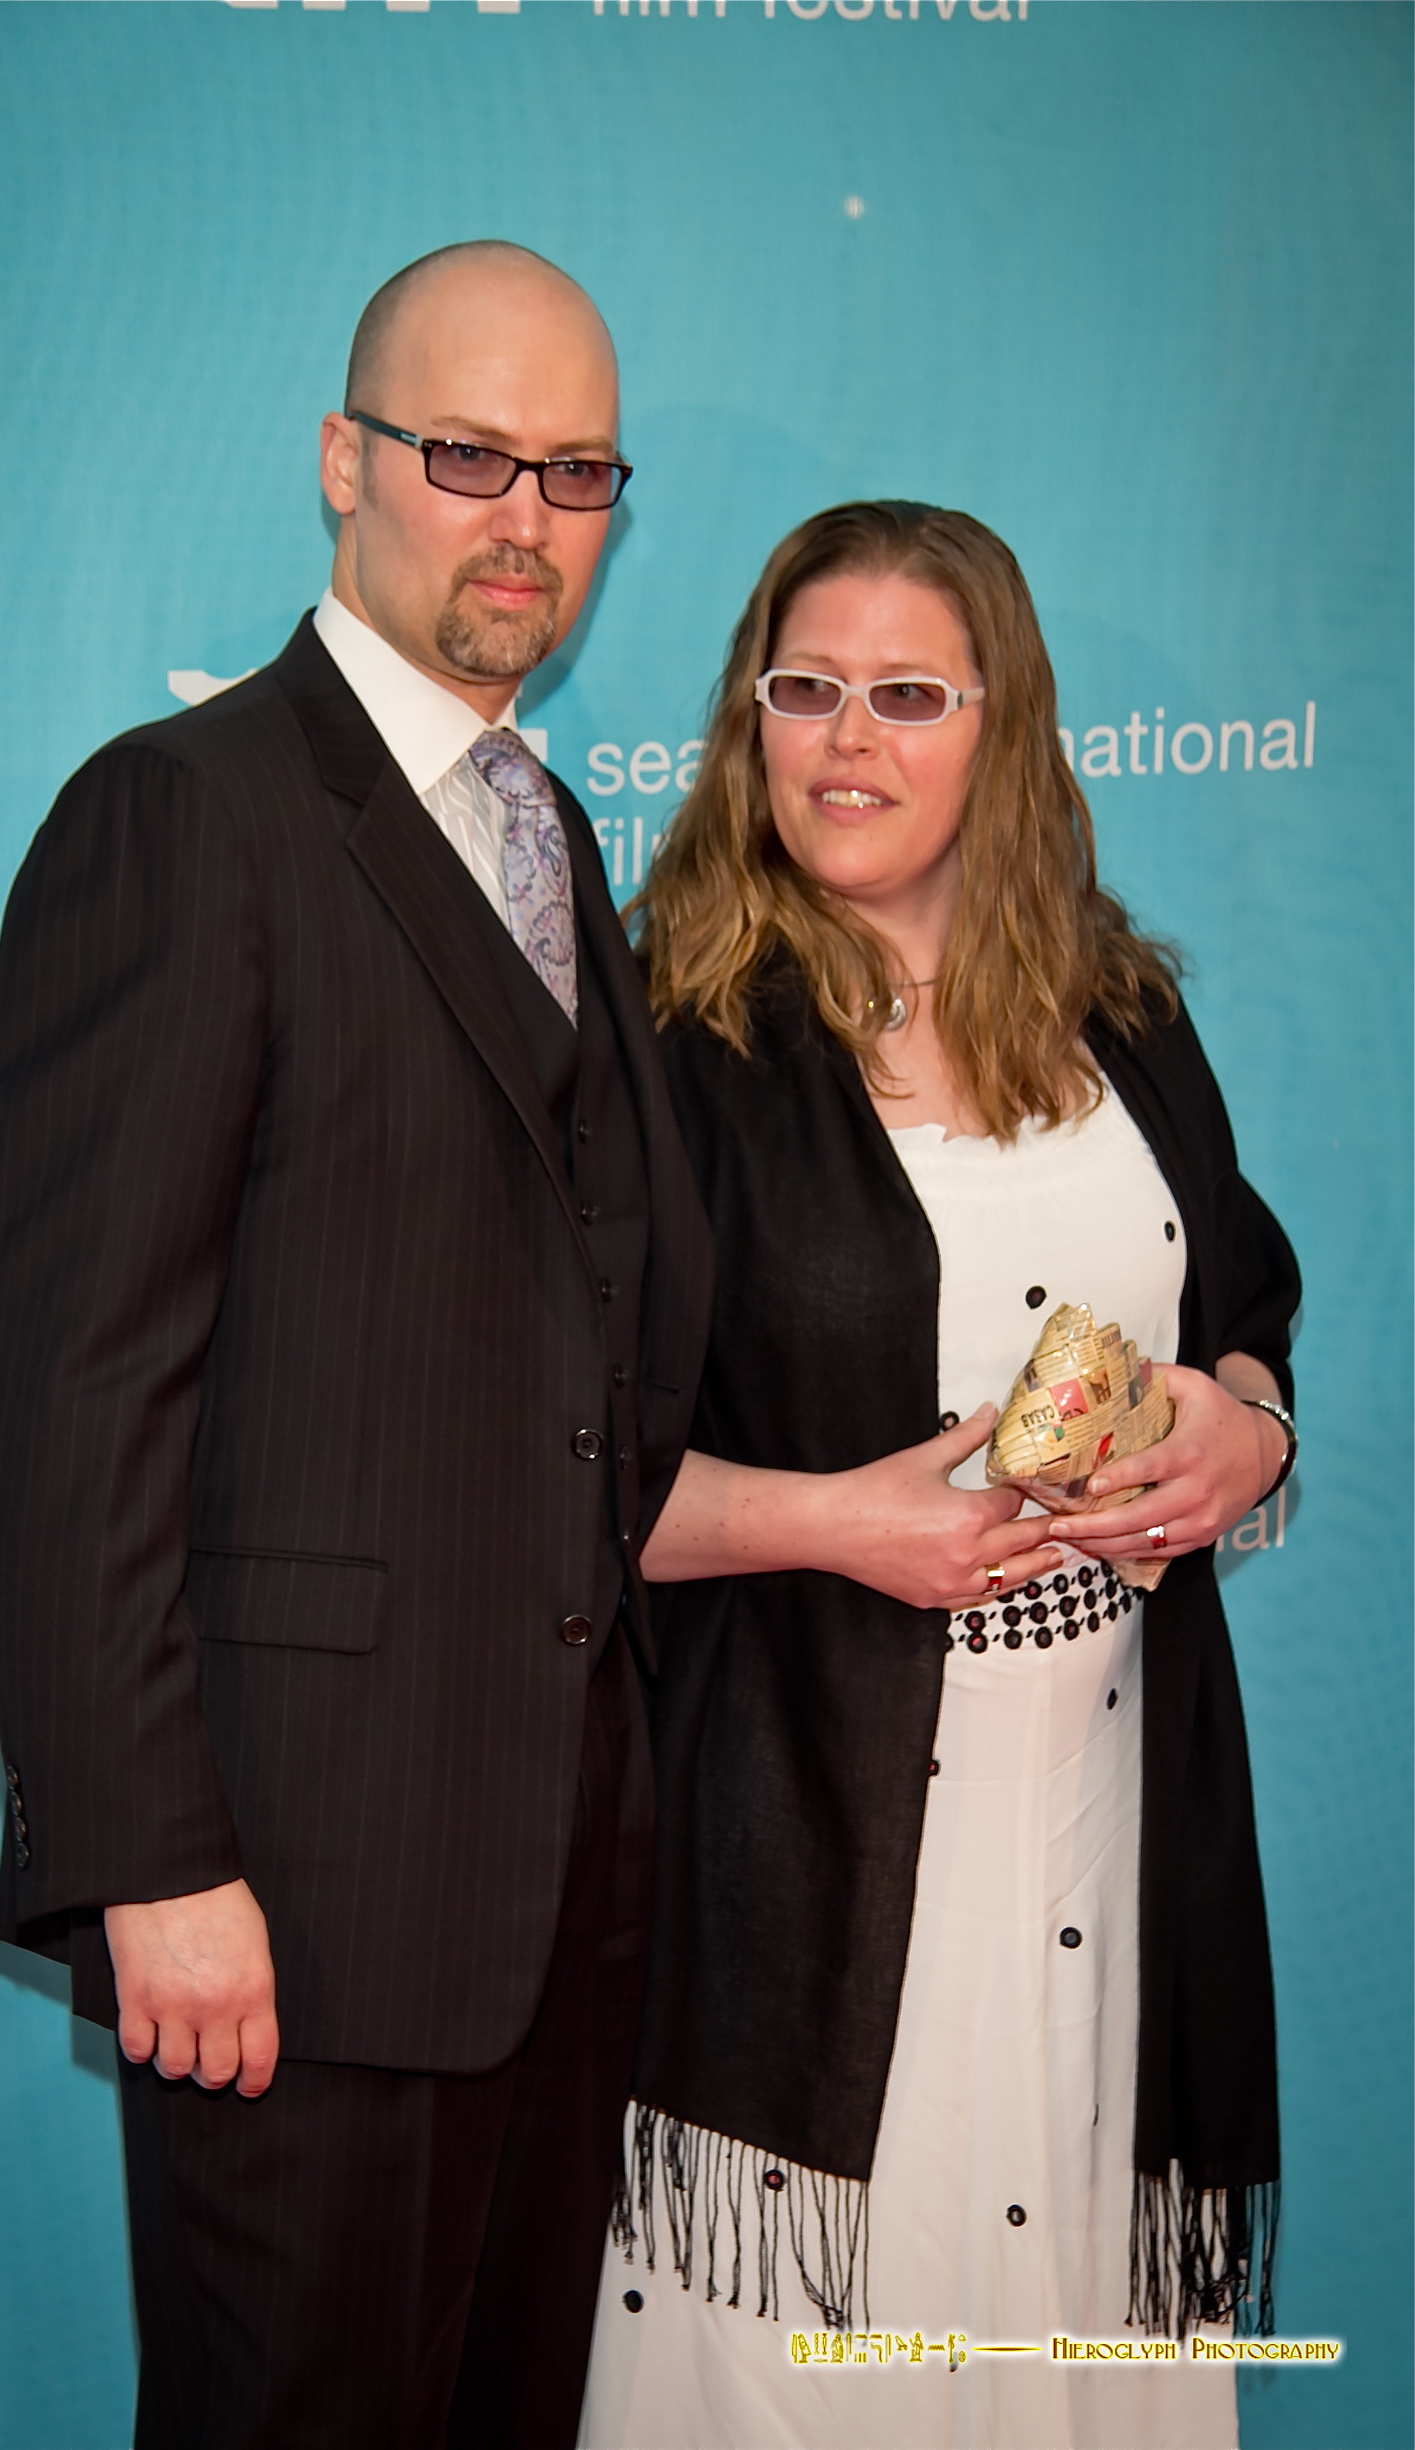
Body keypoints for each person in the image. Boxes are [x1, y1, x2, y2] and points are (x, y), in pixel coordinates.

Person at [0, 240, 713, 2450]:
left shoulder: (552, 831)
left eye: (575, 471)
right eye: (465, 452)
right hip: (282, 1902)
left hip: (558, 1899)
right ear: (342, 462)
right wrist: (150, 1859)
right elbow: (78, 1387)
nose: (524, 517)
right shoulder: (184, 817)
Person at [579, 502, 1298, 2450]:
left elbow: (1241, 1296)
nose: (844, 738)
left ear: (1007, 726)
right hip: (805, 1887)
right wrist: (829, 1518)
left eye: (908, 693)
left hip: (1110, 1849)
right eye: (802, 688)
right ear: (746, 722)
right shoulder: (665, 1043)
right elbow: (530, 1470)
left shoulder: (1120, 1008)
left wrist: (1246, 1425)